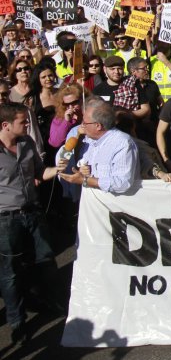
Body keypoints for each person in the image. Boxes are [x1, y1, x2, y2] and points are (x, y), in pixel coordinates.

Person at [0, 103, 62, 346]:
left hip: (33, 212)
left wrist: (58, 170)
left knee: (45, 259)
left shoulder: (26, 143)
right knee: (10, 272)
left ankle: (45, 301)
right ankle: (17, 321)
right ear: (5, 125)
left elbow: (39, 172)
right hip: (6, 218)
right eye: (22, 122)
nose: (28, 125)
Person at [59, 100, 140, 195]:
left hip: (112, 203)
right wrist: (82, 170)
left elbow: (122, 183)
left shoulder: (122, 143)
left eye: (85, 123)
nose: (82, 126)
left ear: (98, 126)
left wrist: (86, 180)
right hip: (91, 201)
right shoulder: (89, 140)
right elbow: (85, 166)